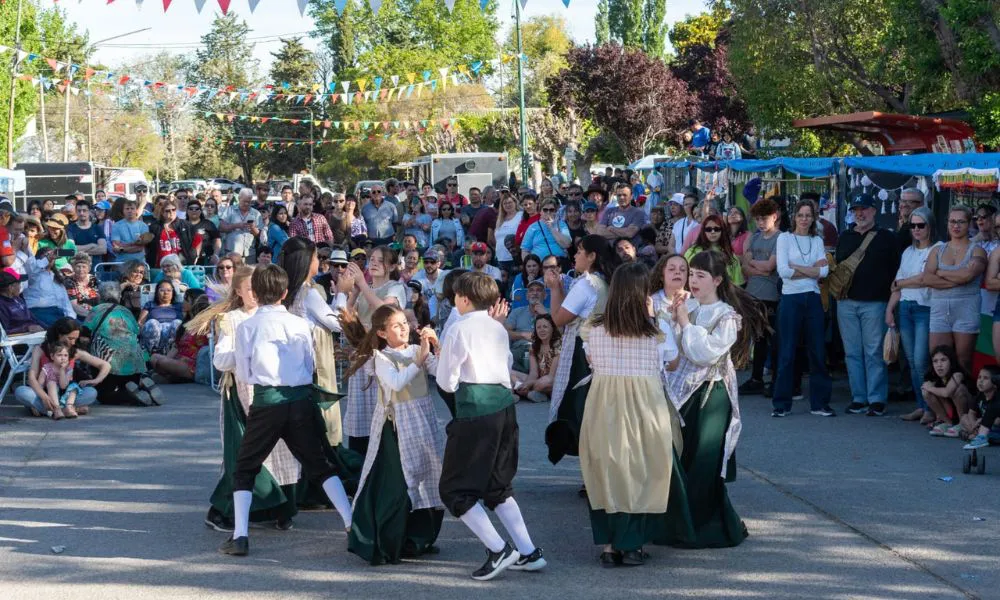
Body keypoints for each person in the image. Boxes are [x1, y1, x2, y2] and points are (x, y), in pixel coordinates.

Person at [218, 264, 354, 557]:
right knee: (317, 463)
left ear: (257, 292)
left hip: (267, 401)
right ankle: (350, 522)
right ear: (283, 293)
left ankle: (240, 535)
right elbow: (309, 364)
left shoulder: (246, 326)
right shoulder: (298, 323)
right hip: (300, 399)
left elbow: (243, 370)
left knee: (246, 468)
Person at [435, 271, 546, 580]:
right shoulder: (496, 328)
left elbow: (445, 379)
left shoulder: (459, 327)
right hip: (504, 406)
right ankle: (528, 550)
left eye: (457, 295)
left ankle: (499, 549)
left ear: (464, 299)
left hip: (476, 408)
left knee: (454, 489)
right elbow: (507, 364)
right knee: (497, 485)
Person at [579, 262, 679, 567]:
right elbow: (672, 363)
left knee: (606, 468)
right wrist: (654, 316)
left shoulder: (593, 327)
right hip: (644, 403)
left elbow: (591, 359)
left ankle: (609, 544)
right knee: (641, 468)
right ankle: (632, 543)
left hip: (603, 401)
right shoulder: (657, 329)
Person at [663, 250, 766, 548]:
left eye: (700, 275)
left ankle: (705, 527)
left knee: (704, 460)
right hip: (682, 391)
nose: (692, 280)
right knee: (681, 455)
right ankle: (677, 523)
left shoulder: (726, 316)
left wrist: (683, 322)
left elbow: (704, 354)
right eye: (691, 274)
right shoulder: (688, 306)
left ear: (718, 280)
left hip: (712, 394)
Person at [339, 304, 445, 564]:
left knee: (429, 477)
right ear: (383, 333)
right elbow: (396, 383)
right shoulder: (380, 358)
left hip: (423, 422)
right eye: (396, 325)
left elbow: (443, 375)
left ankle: (417, 539)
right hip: (394, 426)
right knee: (396, 486)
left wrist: (437, 347)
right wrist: (419, 359)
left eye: (405, 324)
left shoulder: (415, 350)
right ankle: (385, 542)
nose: (404, 329)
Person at [546, 235, 614, 466]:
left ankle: (593, 471)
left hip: (581, 350)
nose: (575, 255)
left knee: (579, 410)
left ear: (592, 256)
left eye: (580, 251)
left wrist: (555, 289)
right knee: (595, 410)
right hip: (603, 348)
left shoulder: (586, 284)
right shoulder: (604, 280)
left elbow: (558, 319)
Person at [836, 193, 901, 417]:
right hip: (846, 303)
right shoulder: (844, 236)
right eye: (856, 210)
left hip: (875, 303)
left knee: (874, 352)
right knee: (852, 353)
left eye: (864, 209)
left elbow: (896, 271)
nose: (860, 213)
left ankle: (876, 399)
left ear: (874, 210)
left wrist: (892, 304)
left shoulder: (887, 238)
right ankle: (858, 398)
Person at [772, 199, 833, 417]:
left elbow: (824, 273)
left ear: (813, 218)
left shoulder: (817, 240)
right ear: (794, 216)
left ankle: (819, 404)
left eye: (808, 215)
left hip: (813, 298)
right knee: (787, 352)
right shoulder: (784, 238)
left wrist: (797, 266)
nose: (804, 219)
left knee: (817, 351)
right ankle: (781, 404)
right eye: (801, 215)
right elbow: (783, 271)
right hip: (791, 298)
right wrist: (810, 269)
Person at [344, 246, 408, 454]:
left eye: (379, 261)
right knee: (360, 414)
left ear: (390, 266)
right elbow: (348, 314)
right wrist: (354, 291)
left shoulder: (395, 287)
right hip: (362, 353)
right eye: (371, 259)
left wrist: (362, 285)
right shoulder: (366, 287)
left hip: (383, 354)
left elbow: (385, 312)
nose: (373, 263)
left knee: (383, 409)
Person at [923, 205, 986, 379]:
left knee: (963, 362)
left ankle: (963, 405)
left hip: (966, 309)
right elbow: (927, 279)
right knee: (938, 360)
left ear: (968, 224)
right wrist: (957, 279)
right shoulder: (938, 250)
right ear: (947, 223)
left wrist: (940, 273)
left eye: (961, 221)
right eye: (952, 221)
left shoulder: (977, 250)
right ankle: (943, 404)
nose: (956, 225)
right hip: (939, 310)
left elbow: (967, 275)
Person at [886, 206, 936, 423]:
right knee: (911, 360)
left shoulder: (937, 249)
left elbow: (925, 278)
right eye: (912, 225)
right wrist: (889, 309)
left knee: (921, 360)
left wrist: (901, 283)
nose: (915, 229)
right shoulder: (908, 252)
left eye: (920, 225)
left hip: (926, 307)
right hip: (905, 307)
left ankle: (930, 407)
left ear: (930, 226)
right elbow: (896, 285)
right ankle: (920, 405)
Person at [14, 318, 110, 417]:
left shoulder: (74, 352)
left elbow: (105, 365)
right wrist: (44, 397)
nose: (73, 342)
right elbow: (32, 378)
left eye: (75, 339)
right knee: (21, 391)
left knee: (91, 393)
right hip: (45, 393)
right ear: (59, 335)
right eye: (70, 338)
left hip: (67, 396)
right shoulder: (40, 350)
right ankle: (66, 410)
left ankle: (50, 411)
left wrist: (96, 380)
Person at [739, 199, 781, 396]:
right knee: (758, 338)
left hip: (771, 295)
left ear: (775, 217)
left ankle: (774, 379)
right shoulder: (755, 238)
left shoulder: (780, 238)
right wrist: (759, 269)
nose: (760, 223)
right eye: (757, 219)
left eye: (764, 219)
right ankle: (756, 378)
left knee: (772, 337)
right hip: (753, 293)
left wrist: (756, 267)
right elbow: (744, 265)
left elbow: (770, 268)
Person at [923, 345, 973, 439]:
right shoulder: (931, 374)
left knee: (959, 389)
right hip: (950, 409)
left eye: (943, 360)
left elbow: (947, 393)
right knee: (926, 393)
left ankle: (962, 424)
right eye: (935, 361)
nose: (939, 364)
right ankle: (948, 423)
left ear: (951, 361)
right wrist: (928, 389)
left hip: (969, 411)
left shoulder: (958, 373)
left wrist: (930, 388)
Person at [513, 313, 561, 404]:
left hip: (553, 381)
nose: (541, 330)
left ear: (552, 328)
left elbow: (551, 376)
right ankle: (530, 393)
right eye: (538, 327)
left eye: (545, 327)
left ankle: (525, 393)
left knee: (545, 382)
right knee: (510, 373)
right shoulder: (534, 346)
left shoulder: (558, 345)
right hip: (538, 380)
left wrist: (528, 384)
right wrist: (526, 384)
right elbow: (533, 373)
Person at [684, 214, 744, 286]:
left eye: (717, 229)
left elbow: (737, 285)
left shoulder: (730, 255)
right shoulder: (692, 252)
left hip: (725, 295)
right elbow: (685, 276)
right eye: (708, 229)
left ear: (722, 231)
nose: (713, 232)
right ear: (703, 231)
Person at [23, 247, 75, 328]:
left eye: (53, 255)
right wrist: (48, 258)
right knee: (63, 329)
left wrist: (71, 318)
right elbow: (31, 267)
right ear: (39, 259)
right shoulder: (34, 275)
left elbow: (66, 303)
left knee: (82, 329)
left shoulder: (57, 276)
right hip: (38, 312)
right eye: (46, 255)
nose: (52, 257)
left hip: (58, 313)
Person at [505, 278, 547, 372]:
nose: (535, 293)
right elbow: (505, 332)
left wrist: (545, 315)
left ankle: (524, 379)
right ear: (527, 296)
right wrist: (523, 335)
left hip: (542, 350)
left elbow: (559, 333)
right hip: (519, 350)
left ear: (545, 295)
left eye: (539, 290)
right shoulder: (517, 312)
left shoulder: (550, 313)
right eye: (531, 290)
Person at [138, 280, 183, 354]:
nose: (166, 293)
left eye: (169, 290)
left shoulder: (179, 306)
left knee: (177, 323)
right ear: (157, 293)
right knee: (153, 322)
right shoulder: (150, 304)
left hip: (172, 335)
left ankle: (171, 350)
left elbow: (186, 321)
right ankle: (153, 351)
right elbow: (140, 322)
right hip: (153, 334)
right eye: (162, 290)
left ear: (173, 292)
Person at [963, 365, 1000, 450]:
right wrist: (973, 424)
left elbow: (997, 421)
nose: (980, 381)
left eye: (986, 378)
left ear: (995, 383)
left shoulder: (997, 397)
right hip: (984, 426)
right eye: (979, 377)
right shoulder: (980, 395)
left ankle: (979, 436)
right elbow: (971, 413)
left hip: (995, 427)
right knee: (964, 418)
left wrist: (981, 421)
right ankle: (978, 434)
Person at [221, 188, 263, 262]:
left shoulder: (256, 213)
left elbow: (259, 235)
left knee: (249, 273)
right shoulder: (230, 210)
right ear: (239, 198)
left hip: (249, 253)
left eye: (249, 202)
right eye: (244, 201)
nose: (246, 204)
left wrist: (253, 228)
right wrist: (236, 225)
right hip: (232, 251)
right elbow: (221, 228)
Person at [0, 268, 43, 333]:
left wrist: (49, 329)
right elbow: (4, 331)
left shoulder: (18, 299)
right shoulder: (2, 305)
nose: (20, 287)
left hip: (33, 333)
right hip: (19, 338)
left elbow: (34, 319)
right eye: (19, 284)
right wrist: (26, 328)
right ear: (10, 287)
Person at [111, 199, 150, 264]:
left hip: (139, 263)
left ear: (136, 210)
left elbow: (140, 248)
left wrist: (122, 249)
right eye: (127, 209)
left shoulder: (143, 226)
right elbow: (116, 246)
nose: (130, 211)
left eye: (132, 208)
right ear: (123, 211)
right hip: (122, 263)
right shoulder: (116, 226)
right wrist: (134, 244)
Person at [493, 192, 523, 273]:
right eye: (505, 203)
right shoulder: (500, 219)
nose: (507, 205)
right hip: (500, 258)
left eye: (510, 202)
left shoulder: (521, 215)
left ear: (515, 202)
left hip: (514, 259)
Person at [64, 253, 100, 319]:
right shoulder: (69, 282)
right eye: (78, 266)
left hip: (96, 313)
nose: (81, 270)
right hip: (79, 316)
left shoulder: (93, 279)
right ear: (73, 268)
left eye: (84, 267)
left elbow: (100, 299)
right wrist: (91, 316)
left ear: (89, 269)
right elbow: (74, 306)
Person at [187, 198, 221, 265]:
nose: (194, 210)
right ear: (187, 211)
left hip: (205, 259)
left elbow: (217, 240)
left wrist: (216, 254)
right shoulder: (182, 224)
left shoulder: (208, 224)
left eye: (197, 209)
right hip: (186, 260)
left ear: (200, 211)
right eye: (191, 208)